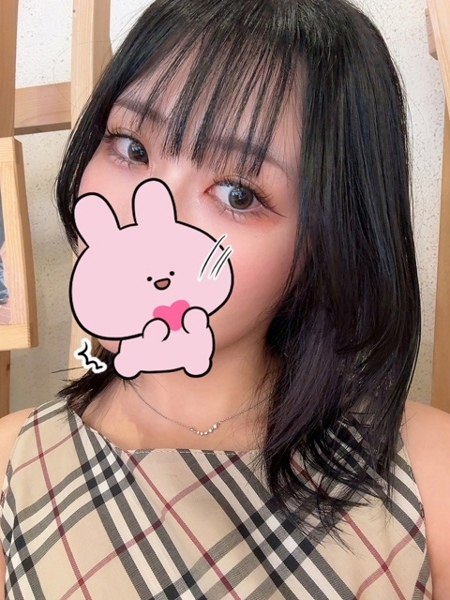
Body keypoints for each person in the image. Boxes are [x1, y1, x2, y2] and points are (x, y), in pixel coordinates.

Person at [1, 0, 449, 597]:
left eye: (238, 193)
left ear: (329, 244)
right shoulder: (12, 466)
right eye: (130, 147)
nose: (143, 216)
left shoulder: (430, 475)